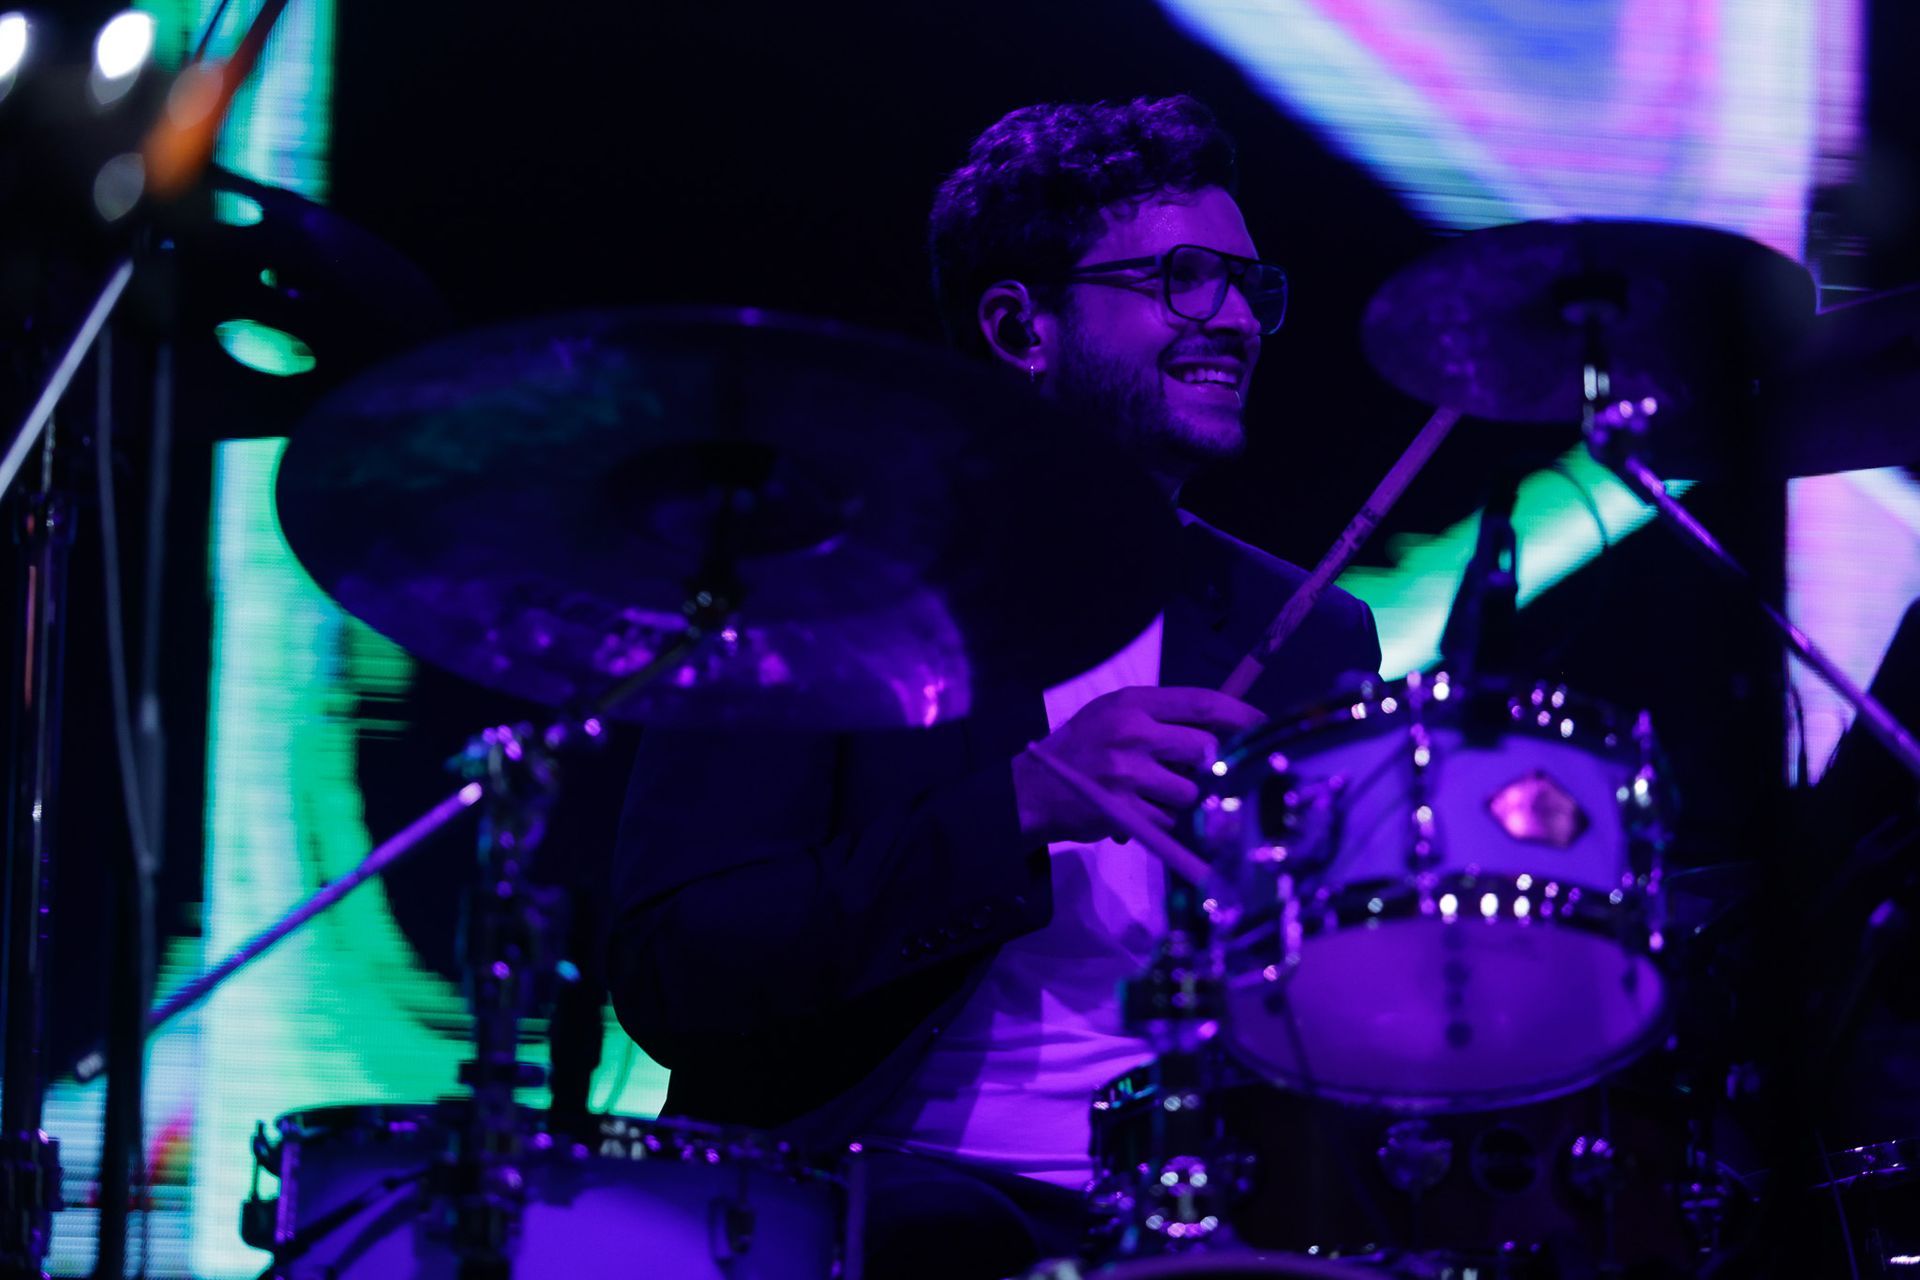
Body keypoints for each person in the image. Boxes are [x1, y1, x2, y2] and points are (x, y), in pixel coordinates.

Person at [606, 95, 1382, 1277]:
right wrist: (1018, 805)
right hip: (865, 1198)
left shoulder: (1311, 630)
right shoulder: (815, 586)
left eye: (1247, 284)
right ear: (1023, 327)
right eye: (1180, 278)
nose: (1232, 318)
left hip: (1203, 1219)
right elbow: (679, 966)